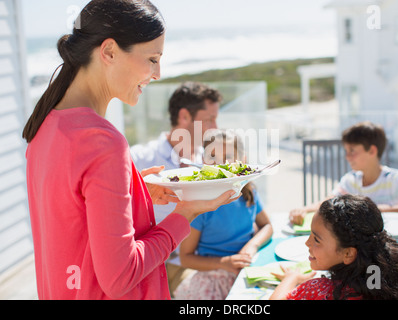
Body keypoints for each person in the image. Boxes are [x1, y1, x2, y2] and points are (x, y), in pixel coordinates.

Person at [22, 0, 235, 300]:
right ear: (108, 51)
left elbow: (72, 222)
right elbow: (121, 277)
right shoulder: (102, 141)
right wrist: (183, 215)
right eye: (152, 58)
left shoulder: (45, 127)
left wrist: (136, 192)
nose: (158, 73)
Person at [270, 194, 398, 300]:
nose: (307, 243)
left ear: (348, 254)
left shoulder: (318, 291)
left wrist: (291, 278)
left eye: (316, 239)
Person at [173, 129, 273, 300]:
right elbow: (185, 258)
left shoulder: (249, 192)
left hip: (246, 270)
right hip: (213, 277)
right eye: (212, 156)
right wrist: (224, 263)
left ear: (243, 160)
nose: (219, 163)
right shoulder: (200, 204)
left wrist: (253, 245)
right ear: (204, 161)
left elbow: (267, 226)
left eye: (227, 156)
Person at [290, 121, 398, 225]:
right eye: (346, 151)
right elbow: (329, 201)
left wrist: (381, 210)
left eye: (352, 151)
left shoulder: (393, 179)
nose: (347, 156)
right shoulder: (350, 181)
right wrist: (305, 209)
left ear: (372, 151)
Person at [130, 81, 222, 224]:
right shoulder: (137, 159)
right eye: (210, 119)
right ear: (184, 116)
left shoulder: (211, 161)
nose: (215, 128)